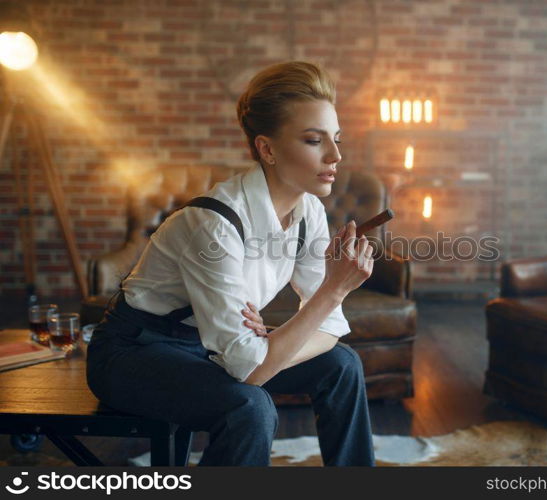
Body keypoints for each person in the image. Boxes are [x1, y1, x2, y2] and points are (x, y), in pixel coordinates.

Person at [85, 61, 376, 466]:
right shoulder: (214, 223)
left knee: (342, 364)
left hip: (210, 347)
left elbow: (329, 329)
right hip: (135, 353)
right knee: (249, 408)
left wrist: (266, 346)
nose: (335, 155)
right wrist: (333, 290)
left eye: (337, 139)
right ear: (267, 148)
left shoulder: (309, 211)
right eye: (314, 140)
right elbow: (252, 372)